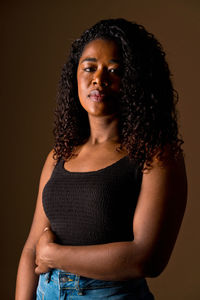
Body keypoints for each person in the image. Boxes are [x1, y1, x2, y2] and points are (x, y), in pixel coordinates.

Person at [15, 18, 187, 299]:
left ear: (136, 81)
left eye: (115, 70)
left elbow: (147, 258)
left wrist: (54, 255)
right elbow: (30, 250)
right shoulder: (59, 155)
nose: (99, 78)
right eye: (89, 68)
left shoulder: (156, 155)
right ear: (76, 77)